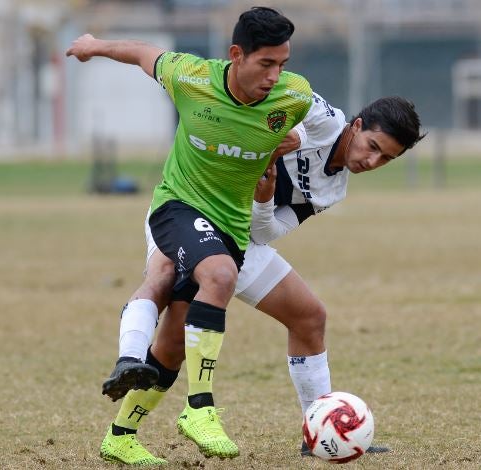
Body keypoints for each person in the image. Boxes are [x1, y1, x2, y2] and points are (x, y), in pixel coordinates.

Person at [103, 93, 425, 464]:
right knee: (172, 338)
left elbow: (267, 231)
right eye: (373, 147)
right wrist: (293, 136)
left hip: (242, 238)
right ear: (357, 126)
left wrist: (264, 199)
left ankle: (317, 429)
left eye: (386, 159)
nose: (372, 161)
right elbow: (275, 106)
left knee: (309, 316)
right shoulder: (320, 116)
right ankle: (124, 430)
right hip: (194, 211)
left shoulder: (331, 189)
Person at [66, 6, 314, 466]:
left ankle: (120, 436)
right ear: (236, 55)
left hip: (232, 225)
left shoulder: (293, 95)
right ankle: (200, 409)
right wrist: (93, 46)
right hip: (177, 206)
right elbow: (141, 51)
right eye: (266, 64)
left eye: (283, 64)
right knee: (218, 276)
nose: (275, 75)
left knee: (174, 343)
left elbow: (303, 125)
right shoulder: (191, 76)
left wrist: (293, 137)